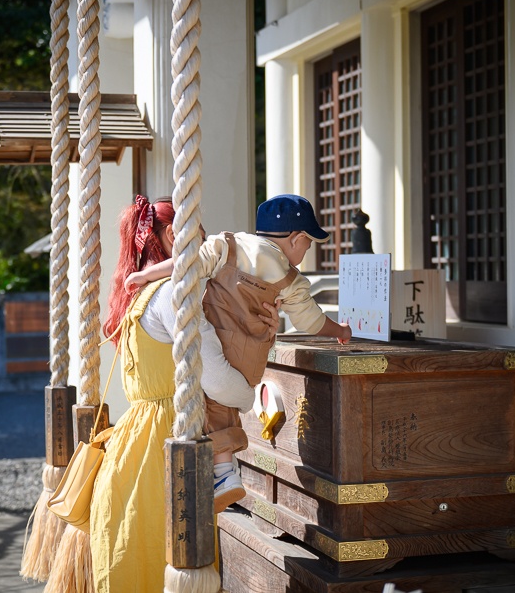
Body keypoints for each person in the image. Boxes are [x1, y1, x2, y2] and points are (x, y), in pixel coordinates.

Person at [89, 195, 278, 593]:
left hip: (132, 452)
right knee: (173, 559)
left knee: (133, 563)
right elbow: (216, 380)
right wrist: (248, 397)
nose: (206, 249)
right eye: (201, 238)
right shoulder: (172, 294)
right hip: (167, 450)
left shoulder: (138, 297)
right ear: (176, 235)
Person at [125, 194, 352, 512]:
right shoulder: (291, 280)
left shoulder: (227, 246)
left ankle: (223, 471)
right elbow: (310, 320)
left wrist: (145, 275)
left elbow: (186, 265)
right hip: (253, 355)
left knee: (211, 404)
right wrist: (340, 331)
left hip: (218, 340)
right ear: (297, 238)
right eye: (308, 244)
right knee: (222, 405)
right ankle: (224, 471)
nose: (306, 250)